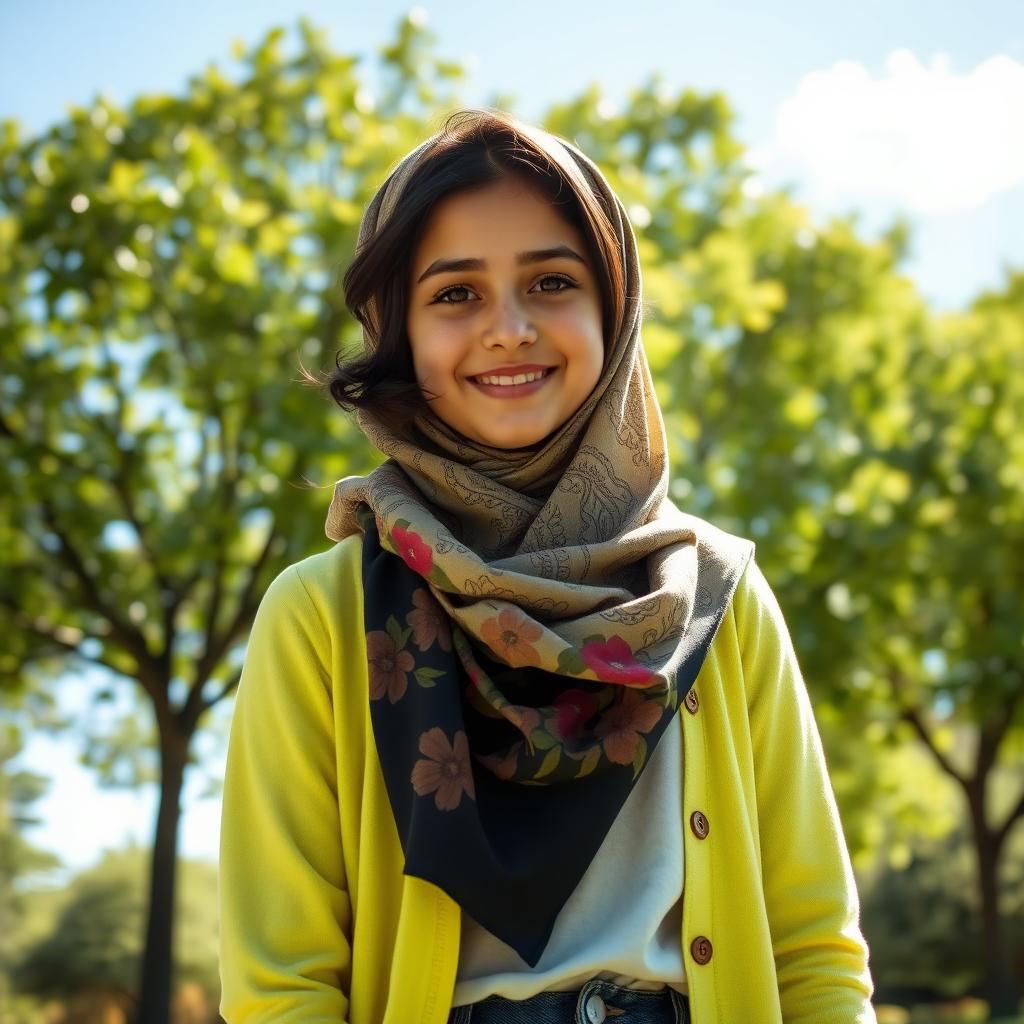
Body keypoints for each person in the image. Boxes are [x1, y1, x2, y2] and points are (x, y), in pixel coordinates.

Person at [217, 108, 877, 1024]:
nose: (509, 328)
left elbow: (814, 953)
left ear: (616, 308)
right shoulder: (320, 617)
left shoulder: (714, 599)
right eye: (454, 294)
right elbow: (281, 985)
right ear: (397, 330)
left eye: (553, 280)